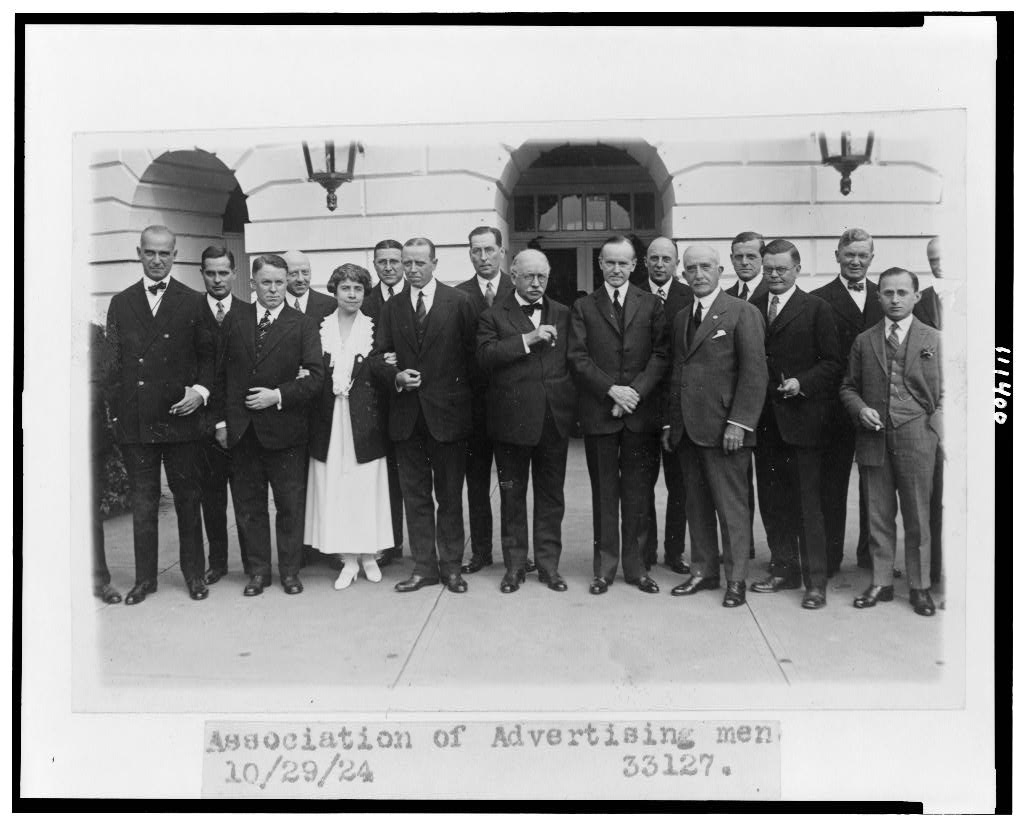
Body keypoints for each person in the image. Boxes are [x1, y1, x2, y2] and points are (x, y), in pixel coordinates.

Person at [104, 225, 215, 604]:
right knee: (143, 504)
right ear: (139, 253)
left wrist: (199, 393)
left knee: (188, 500)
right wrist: (119, 415)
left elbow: (210, 357)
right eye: (150, 253)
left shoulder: (193, 301)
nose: (157, 260)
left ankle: (194, 576)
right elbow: (112, 365)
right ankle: (145, 580)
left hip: (181, 418)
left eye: (164, 254)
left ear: (175, 254)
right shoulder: (121, 302)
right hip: (138, 422)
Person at [212, 254, 324, 597]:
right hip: (243, 431)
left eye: (279, 282)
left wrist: (276, 395)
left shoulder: (301, 324)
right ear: (252, 284)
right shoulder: (235, 318)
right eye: (266, 282)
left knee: (290, 506)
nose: (274, 289)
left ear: (287, 281)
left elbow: (315, 377)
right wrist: (221, 422)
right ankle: (258, 572)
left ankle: (290, 572)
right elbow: (221, 375)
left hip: (286, 432)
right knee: (249, 506)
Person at [663, 245, 767, 608]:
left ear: (720, 270)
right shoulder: (680, 318)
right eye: (690, 268)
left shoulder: (743, 313)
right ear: (683, 274)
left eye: (705, 267)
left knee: (731, 507)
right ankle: (704, 571)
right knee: (697, 505)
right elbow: (678, 373)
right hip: (688, 430)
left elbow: (755, 373)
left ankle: (735, 579)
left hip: (727, 430)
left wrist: (739, 423)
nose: (698, 274)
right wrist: (670, 423)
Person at [374, 237, 477, 594]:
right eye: (407, 264)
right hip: (406, 419)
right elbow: (379, 357)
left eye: (420, 263)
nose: (412, 270)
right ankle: (423, 568)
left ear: (435, 263)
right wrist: (396, 377)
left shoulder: (460, 303)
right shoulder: (393, 307)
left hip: (448, 419)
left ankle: (451, 568)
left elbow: (473, 361)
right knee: (415, 497)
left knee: (449, 497)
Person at [567, 235, 669, 595]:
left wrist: (634, 393)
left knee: (639, 495)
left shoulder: (651, 304)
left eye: (623, 263)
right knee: (605, 496)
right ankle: (605, 569)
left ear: (634, 266)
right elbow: (578, 357)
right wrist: (612, 390)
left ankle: (637, 568)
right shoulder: (584, 306)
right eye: (609, 262)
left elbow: (660, 355)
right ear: (600, 264)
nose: (616, 269)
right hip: (601, 414)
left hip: (639, 416)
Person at [839, 267, 943, 616]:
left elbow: (949, 392)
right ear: (878, 296)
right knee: (879, 515)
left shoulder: (934, 339)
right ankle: (881, 582)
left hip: (917, 436)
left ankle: (920, 587)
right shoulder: (864, 340)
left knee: (918, 515)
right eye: (887, 293)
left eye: (902, 293)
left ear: (916, 296)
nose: (895, 299)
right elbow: (847, 387)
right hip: (874, 437)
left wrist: (938, 431)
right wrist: (860, 409)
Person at [748, 240, 842, 609]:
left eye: (781, 270)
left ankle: (814, 581)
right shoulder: (752, 308)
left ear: (796, 270)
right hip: (764, 423)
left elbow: (833, 363)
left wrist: (802, 383)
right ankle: (783, 568)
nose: (773, 275)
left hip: (803, 422)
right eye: (768, 269)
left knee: (807, 505)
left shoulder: (817, 308)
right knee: (773, 502)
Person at [476, 249, 577, 593]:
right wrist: (526, 340)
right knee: (512, 497)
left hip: (553, 421)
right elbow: (486, 357)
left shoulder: (563, 313)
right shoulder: (493, 315)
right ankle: (515, 567)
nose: (536, 283)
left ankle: (549, 567)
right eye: (529, 276)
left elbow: (573, 361)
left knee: (551, 498)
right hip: (512, 423)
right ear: (513, 276)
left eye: (542, 277)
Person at [304, 264, 394, 589]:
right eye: (346, 289)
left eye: (358, 289)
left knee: (365, 488)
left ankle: (369, 554)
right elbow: (311, 367)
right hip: (329, 422)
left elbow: (383, 363)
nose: (352, 295)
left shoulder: (374, 327)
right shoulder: (319, 327)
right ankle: (348, 560)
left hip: (364, 421)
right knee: (336, 489)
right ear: (335, 291)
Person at [811, 228, 884, 575]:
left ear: (872, 258)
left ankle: (873, 556)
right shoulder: (818, 299)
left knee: (876, 487)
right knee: (832, 486)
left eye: (863, 255)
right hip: (833, 408)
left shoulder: (885, 297)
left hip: (877, 408)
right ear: (837, 255)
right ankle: (829, 557)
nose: (856, 261)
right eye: (849, 254)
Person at [456, 226, 518, 576]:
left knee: (511, 485)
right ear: (470, 254)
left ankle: (516, 551)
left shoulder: (519, 287)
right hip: (474, 410)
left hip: (512, 407)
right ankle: (481, 551)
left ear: (501, 252)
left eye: (489, 250)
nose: (483, 257)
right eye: (476, 251)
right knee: (477, 485)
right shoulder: (459, 295)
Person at [635, 237, 693, 575]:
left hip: (678, 407)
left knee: (679, 485)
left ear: (676, 264)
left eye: (666, 258)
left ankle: (675, 551)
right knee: (642, 484)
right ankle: (645, 551)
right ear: (645, 262)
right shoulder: (633, 293)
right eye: (654, 258)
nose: (660, 264)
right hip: (643, 406)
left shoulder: (688, 296)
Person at [195, 246, 251, 585]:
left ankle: (252, 565)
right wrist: (216, 422)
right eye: (210, 273)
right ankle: (217, 563)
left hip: (242, 424)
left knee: (246, 500)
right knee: (212, 500)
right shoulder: (189, 312)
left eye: (223, 272)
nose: (217, 279)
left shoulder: (248, 313)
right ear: (203, 274)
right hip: (204, 426)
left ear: (234, 273)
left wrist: (231, 421)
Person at [361, 239, 407, 569]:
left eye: (394, 261)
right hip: (377, 399)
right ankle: (389, 543)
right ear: (374, 265)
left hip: (412, 396)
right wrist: (381, 361)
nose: (388, 267)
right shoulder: (366, 300)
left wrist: (399, 359)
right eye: (382, 262)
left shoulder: (414, 297)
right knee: (385, 476)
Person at [724, 230, 769, 561]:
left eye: (751, 256)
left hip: (774, 409)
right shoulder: (723, 298)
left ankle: (780, 556)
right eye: (738, 256)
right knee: (738, 486)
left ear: (763, 260)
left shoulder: (777, 292)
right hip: (735, 408)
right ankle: (743, 548)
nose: (744, 262)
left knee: (771, 488)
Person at [912, 236, 946, 592]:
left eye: (945, 257)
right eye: (933, 260)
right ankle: (933, 574)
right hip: (931, 413)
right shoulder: (924, 303)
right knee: (934, 497)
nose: (939, 264)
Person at [90, 322, 121, 604]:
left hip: (89, 440)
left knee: (90, 513)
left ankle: (100, 580)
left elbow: (108, 378)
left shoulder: (93, 334)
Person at [281, 249, 339, 324]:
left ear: (310, 273)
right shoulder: (273, 305)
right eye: (293, 274)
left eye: (305, 273)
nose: (300, 279)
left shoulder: (331, 305)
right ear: (282, 275)